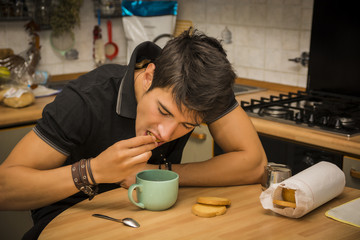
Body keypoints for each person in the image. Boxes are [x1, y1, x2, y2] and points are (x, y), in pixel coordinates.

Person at [0, 28, 267, 239]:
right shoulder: (86, 98)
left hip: (150, 222)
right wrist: (93, 171)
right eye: (164, 111)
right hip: (67, 222)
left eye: (187, 125)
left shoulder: (200, 88)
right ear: (149, 76)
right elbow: (4, 189)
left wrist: (160, 172)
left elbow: (254, 164)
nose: (166, 133)